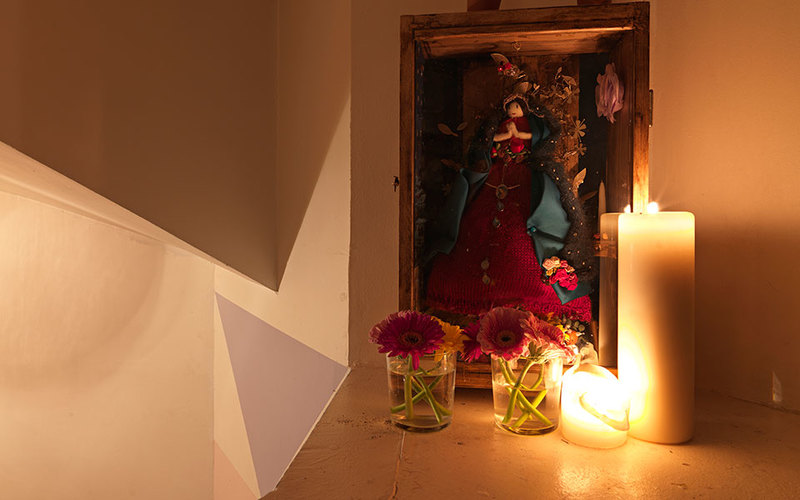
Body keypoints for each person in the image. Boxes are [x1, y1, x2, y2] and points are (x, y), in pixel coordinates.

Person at [424, 97, 593, 321]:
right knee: (478, 223)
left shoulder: (530, 134)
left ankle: (530, 292)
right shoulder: (502, 127)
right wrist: (505, 135)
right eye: (510, 108)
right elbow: (491, 140)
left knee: (529, 226)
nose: (513, 111)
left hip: (523, 175)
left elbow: (536, 137)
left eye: (517, 107)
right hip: (498, 171)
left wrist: (518, 134)